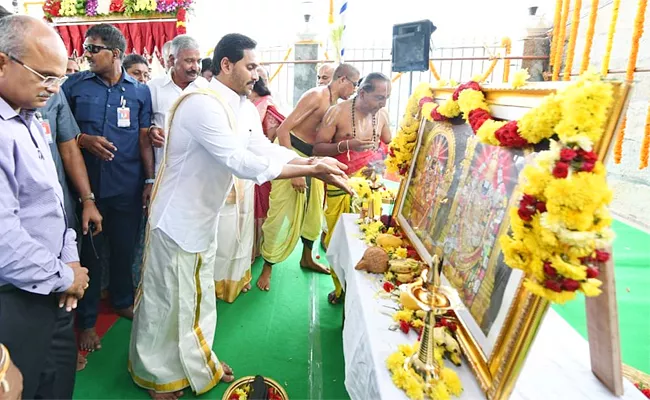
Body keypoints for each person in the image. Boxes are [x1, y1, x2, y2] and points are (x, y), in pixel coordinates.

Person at [128, 33, 351, 400]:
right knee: (168, 299)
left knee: (197, 297)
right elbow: (239, 161)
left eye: (257, 66)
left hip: (203, 215)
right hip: (176, 218)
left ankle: (197, 362)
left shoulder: (241, 106)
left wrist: (309, 160)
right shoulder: (201, 102)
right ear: (226, 65)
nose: (256, 73)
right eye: (250, 66)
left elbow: (260, 147)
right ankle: (157, 376)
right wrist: (309, 171)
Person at [0, 15, 90, 398]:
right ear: (3, 62)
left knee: (54, 386)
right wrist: (66, 277)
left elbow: (51, 200)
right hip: (13, 301)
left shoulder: (29, 119)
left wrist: (69, 259)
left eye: (59, 79)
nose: (53, 89)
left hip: (50, 288)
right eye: (45, 76)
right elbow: (4, 241)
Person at [62, 23, 154, 352]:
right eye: (85, 48)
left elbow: (144, 138)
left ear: (115, 54)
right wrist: (83, 140)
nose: (86, 54)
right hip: (87, 191)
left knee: (124, 248)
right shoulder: (73, 86)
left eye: (93, 49)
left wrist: (148, 179)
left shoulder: (140, 91)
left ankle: (122, 300)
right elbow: (59, 134)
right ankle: (86, 322)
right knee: (90, 254)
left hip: (127, 187)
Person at [257, 63, 360, 291]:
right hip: (289, 153)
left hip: (313, 160)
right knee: (280, 212)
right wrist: (293, 169)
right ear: (342, 79)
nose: (355, 89)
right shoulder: (316, 96)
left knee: (314, 211)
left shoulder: (338, 105)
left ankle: (307, 257)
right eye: (354, 84)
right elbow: (284, 129)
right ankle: (268, 267)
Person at [314, 72, 392, 304]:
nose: (383, 102)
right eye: (379, 97)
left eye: (387, 97)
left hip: (371, 186)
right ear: (363, 92)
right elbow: (317, 148)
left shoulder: (383, 114)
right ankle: (341, 290)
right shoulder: (337, 112)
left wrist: (377, 164)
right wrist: (349, 144)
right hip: (341, 183)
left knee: (367, 238)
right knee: (337, 240)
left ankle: (363, 292)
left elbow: (388, 143)